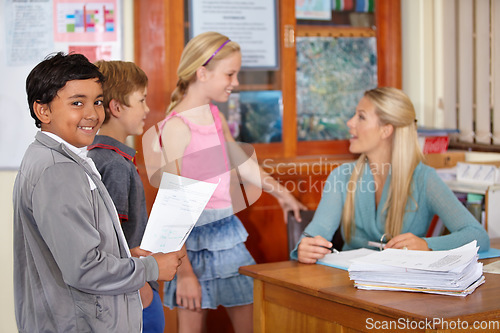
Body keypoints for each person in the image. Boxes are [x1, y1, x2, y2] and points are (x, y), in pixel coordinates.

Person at [13, 52, 184, 333]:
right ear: (43, 110)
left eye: (97, 102)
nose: (92, 114)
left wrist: (127, 257)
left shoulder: (56, 158)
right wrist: (150, 269)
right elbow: (83, 268)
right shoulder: (58, 170)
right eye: (77, 103)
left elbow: (73, 251)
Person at [156, 31, 306, 333]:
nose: (235, 83)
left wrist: (282, 194)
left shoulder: (214, 116)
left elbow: (243, 164)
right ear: (202, 73)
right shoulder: (176, 127)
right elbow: (173, 206)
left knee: (250, 321)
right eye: (230, 74)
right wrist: (185, 274)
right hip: (190, 244)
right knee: (191, 321)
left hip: (226, 235)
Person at [291, 87, 490, 264]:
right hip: (349, 286)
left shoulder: (424, 179)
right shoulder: (341, 177)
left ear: (386, 130)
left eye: (361, 117)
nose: (349, 123)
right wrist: (306, 246)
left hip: (404, 291)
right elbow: (317, 231)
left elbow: (477, 235)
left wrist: (426, 245)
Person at [87, 60, 165, 333]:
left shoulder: (97, 157)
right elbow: (112, 240)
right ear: (117, 107)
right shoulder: (115, 165)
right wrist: (141, 285)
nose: (147, 109)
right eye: (141, 100)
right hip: (133, 292)